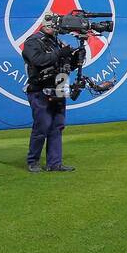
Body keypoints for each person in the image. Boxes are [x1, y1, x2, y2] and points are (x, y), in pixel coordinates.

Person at [23, 11, 80, 173]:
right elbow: (37, 60)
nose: (52, 27)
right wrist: (59, 53)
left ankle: (55, 163)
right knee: (43, 125)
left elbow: (64, 65)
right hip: (40, 88)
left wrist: (75, 58)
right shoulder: (32, 42)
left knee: (57, 125)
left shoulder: (56, 42)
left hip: (59, 86)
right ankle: (33, 161)